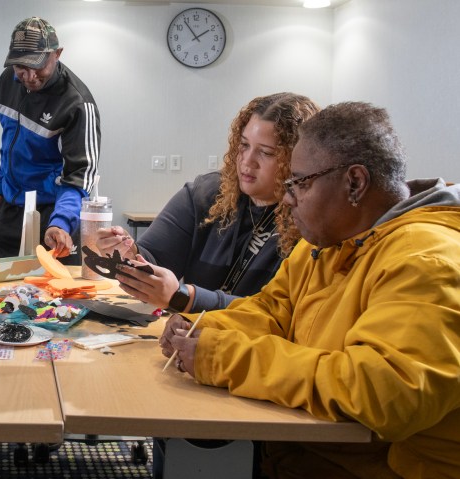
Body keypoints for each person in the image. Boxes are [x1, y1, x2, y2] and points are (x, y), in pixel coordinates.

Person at [160, 102, 460, 478]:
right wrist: (203, 326)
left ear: (354, 183)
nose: (287, 198)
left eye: (299, 182)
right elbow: (272, 311)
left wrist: (223, 357)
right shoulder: (330, 242)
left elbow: (384, 392)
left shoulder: (427, 260)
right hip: (302, 456)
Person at [96, 93, 319, 314]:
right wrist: (128, 252)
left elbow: (276, 313)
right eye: (243, 145)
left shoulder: (311, 224)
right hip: (188, 340)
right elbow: (154, 259)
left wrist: (185, 297)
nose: (248, 161)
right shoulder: (207, 193)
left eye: (266, 152)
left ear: (296, 159)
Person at [0, 16, 101, 265]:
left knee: (58, 300)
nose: (29, 76)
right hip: (11, 209)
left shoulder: (77, 104)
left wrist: (61, 223)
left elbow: (80, 176)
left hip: (54, 214)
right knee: (6, 298)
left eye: (38, 66)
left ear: (56, 54)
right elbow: (10, 144)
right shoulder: (8, 80)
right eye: (21, 67)